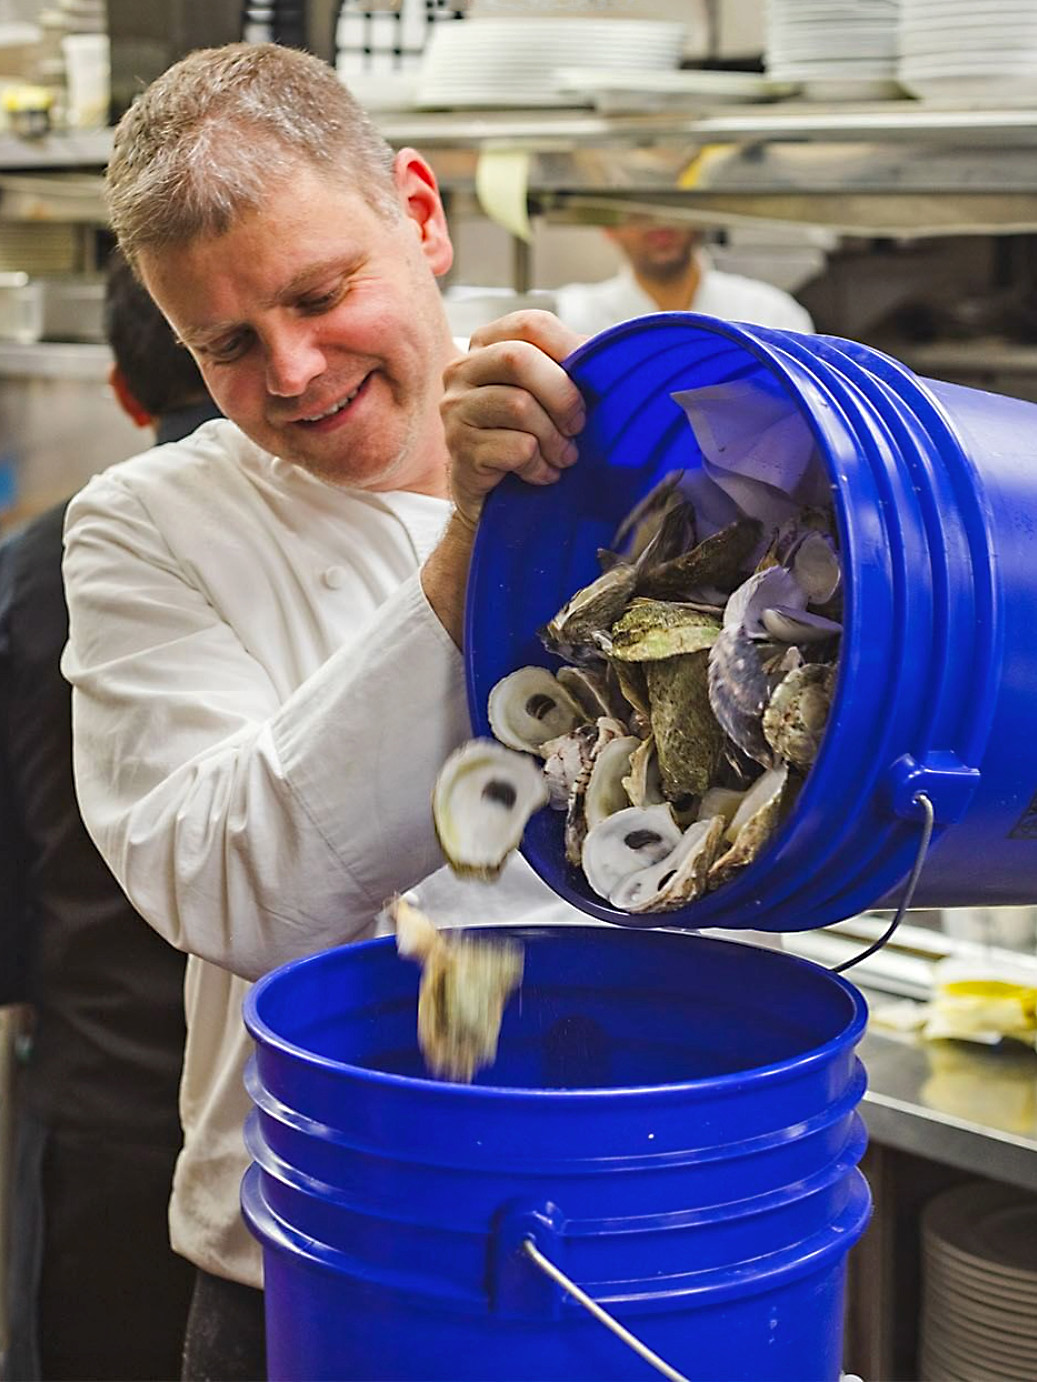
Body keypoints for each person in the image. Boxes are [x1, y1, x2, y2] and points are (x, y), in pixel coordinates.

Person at [60, 43, 593, 1381]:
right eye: (227, 343)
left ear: (419, 213)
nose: (291, 371)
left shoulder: (613, 430)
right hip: (312, 1268)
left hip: (629, 1220)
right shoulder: (151, 525)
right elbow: (241, 884)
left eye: (320, 292)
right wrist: (475, 543)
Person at [0, 250, 221, 1380]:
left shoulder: (33, 574)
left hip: (107, 1113)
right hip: (328, 1114)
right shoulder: (403, 543)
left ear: (125, 392)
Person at [552, 219, 814, 338]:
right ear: (608, 228)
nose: (656, 221)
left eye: (669, 205)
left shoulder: (773, 315)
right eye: (636, 209)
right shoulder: (570, 316)